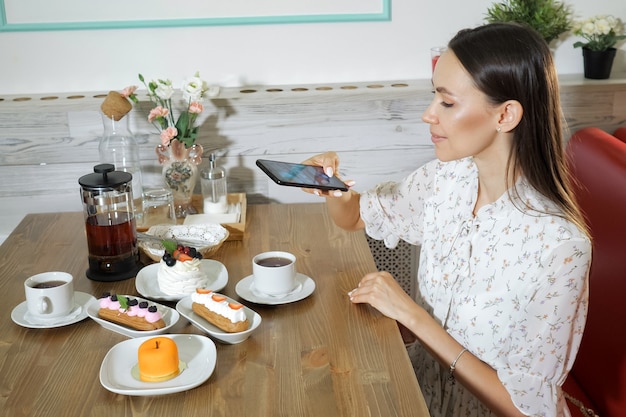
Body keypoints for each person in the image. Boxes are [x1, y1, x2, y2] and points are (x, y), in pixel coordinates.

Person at [302, 23, 592, 417]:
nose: (428, 115)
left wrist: (412, 316)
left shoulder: (559, 248)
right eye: (433, 97)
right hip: (422, 391)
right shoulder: (447, 179)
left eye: (447, 103)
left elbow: (525, 409)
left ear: (505, 115)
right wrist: (332, 187)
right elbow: (355, 217)